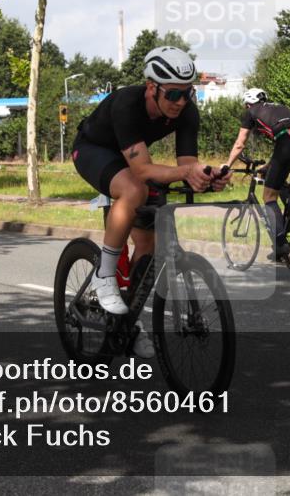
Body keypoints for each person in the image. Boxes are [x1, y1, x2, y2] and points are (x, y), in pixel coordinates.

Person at [71, 46, 231, 356]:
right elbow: (142, 170)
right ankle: (104, 277)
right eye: (173, 95)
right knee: (134, 190)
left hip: (131, 158)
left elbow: (186, 165)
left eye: (188, 93)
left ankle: (126, 323)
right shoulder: (127, 104)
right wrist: (186, 171)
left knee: (148, 243)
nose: (181, 102)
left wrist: (206, 177)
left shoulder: (186, 110)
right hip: (93, 150)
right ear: (151, 87)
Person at [224, 89, 290, 258]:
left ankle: (280, 245)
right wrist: (269, 165)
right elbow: (284, 140)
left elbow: (240, 144)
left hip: (287, 145)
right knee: (278, 179)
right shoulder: (280, 107)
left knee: (268, 197)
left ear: (248, 103)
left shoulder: (251, 111)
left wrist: (227, 165)